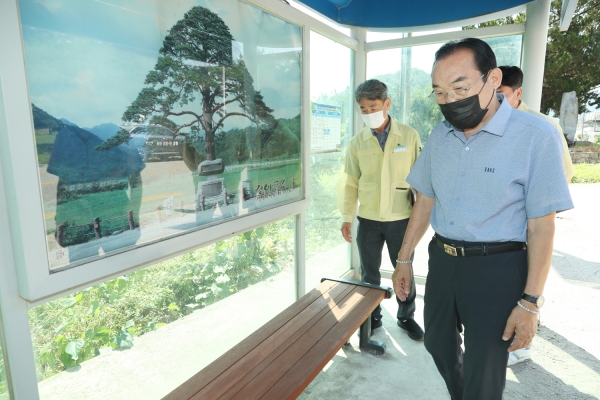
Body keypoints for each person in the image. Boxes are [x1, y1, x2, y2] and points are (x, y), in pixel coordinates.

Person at [391, 38, 573, 399]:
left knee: (484, 366)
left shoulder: (536, 136)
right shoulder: (441, 135)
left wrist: (530, 302)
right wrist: (403, 259)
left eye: (460, 88)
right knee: (437, 344)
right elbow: (425, 201)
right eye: (439, 92)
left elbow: (541, 226)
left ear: (493, 79)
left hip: (498, 268)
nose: (449, 101)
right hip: (443, 260)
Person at [339, 79, 424, 340]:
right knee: (369, 272)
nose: (368, 113)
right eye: (363, 109)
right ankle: (372, 316)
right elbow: (350, 183)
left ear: (387, 103)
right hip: (369, 220)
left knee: (404, 269)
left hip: (401, 218)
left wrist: (423, 214)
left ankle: (406, 316)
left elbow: (421, 179)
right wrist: (346, 217)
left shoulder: (409, 136)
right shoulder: (357, 142)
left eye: (373, 107)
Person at [497, 65, 574, 184]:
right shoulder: (484, 123)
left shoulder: (545, 126)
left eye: (499, 95)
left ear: (518, 93)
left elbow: (564, 172)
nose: (493, 100)